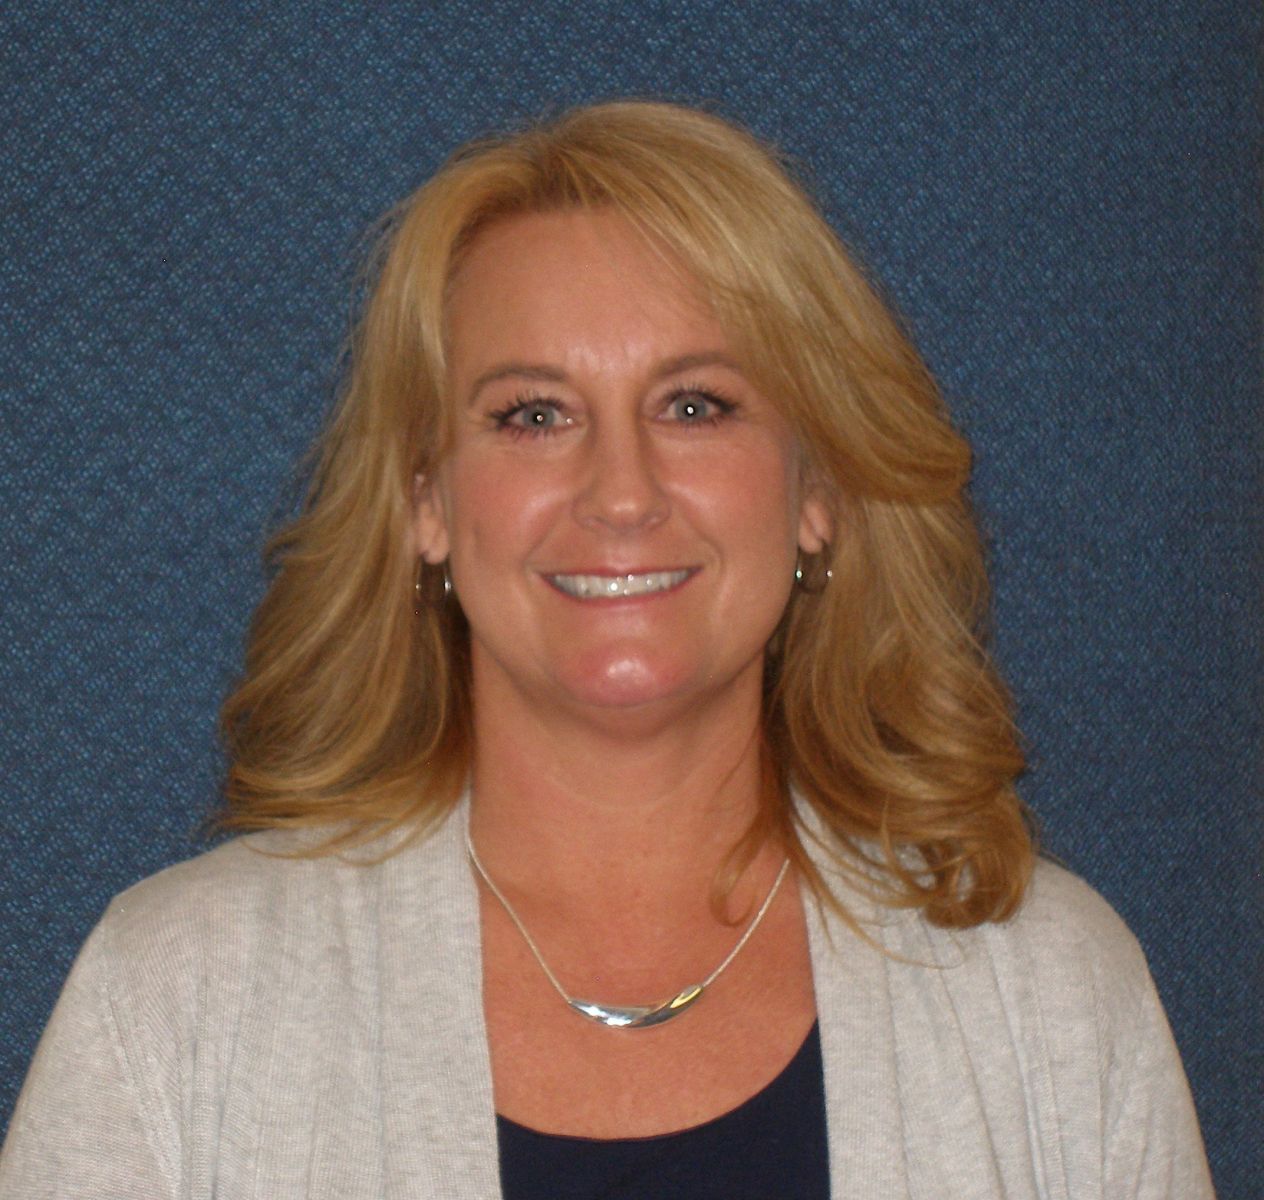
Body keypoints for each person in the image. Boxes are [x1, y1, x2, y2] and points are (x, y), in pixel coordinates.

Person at [0, 101, 1213, 1199]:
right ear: (425, 500)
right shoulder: (177, 1000)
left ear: (817, 489)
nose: (620, 492)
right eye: (533, 415)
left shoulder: (1047, 993)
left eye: (696, 406)